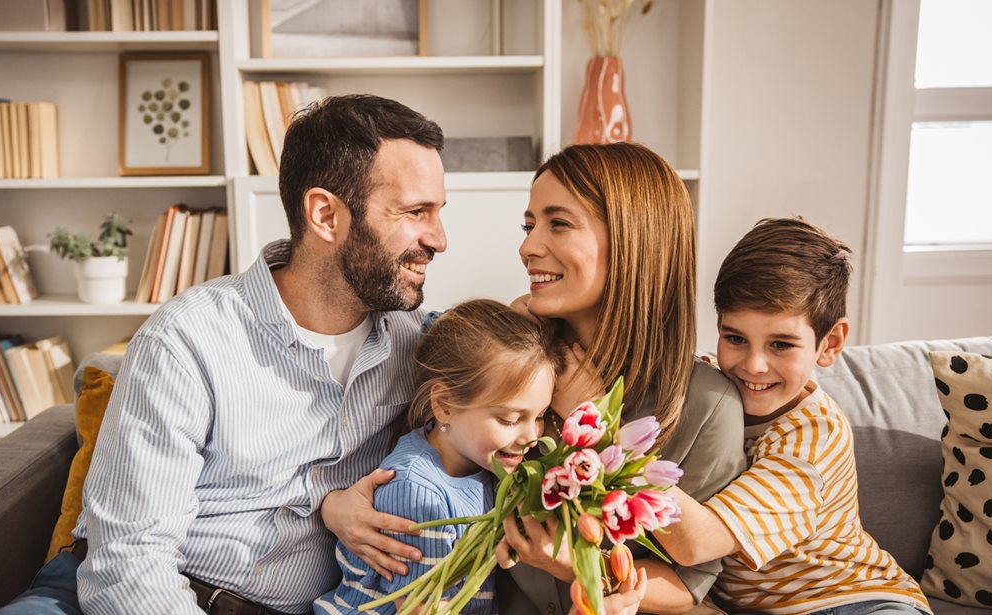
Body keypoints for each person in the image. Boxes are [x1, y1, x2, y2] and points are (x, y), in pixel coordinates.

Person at [0, 94, 447, 615]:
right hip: (121, 592)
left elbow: (516, 360)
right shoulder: (187, 338)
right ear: (325, 214)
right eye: (416, 212)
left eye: (437, 213)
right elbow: (130, 561)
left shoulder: (419, 345)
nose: (439, 238)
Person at [323, 142, 748, 615]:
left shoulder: (708, 405)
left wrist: (580, 565)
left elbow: (687, 588)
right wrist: (334, 507)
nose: (528, 247)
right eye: (529, 225)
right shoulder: (513, 356)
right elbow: (419, 446)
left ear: (635, 241)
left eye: (559, 223)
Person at [655, 218, 931, 615]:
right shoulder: (707, 391)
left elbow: (696, 542)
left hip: (853, 599)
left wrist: (618, 451)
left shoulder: (813, 436)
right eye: (735, 338)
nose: (754, 365)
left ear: (829, 343)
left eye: (781, 344)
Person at [315, 299, 568, 615]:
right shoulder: (419, 494)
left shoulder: (484, 467)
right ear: (445, 406)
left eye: (540, 415)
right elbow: (419, 608)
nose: (531, 436)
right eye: (509, 419)